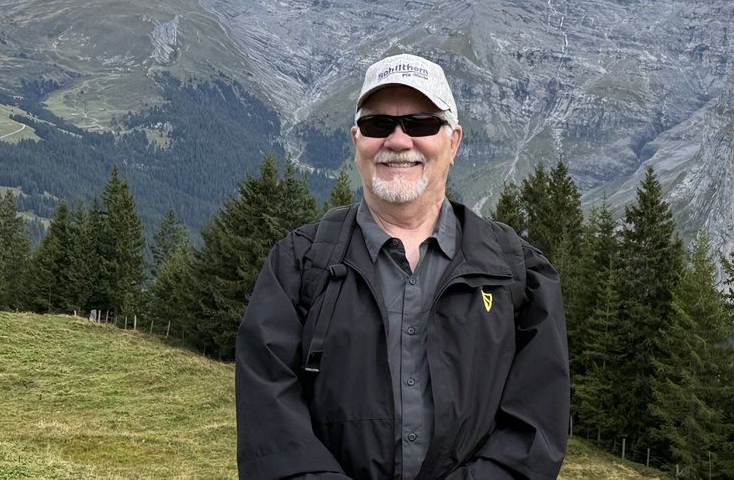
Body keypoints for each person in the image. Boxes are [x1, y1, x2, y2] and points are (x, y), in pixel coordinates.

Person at [235, 53, 570, 480]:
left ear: (454, 141)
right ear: (357, 140)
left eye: (421, 123)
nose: (398, 140)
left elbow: (535, 427)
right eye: (378, 125)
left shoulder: (518, 274)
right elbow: (272, 428)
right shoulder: (298, 266)